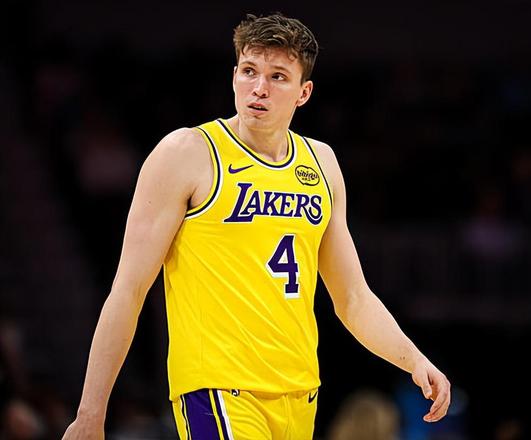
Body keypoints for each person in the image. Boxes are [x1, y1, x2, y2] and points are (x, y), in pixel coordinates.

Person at [62, 12, 451, 440]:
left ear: (304, 93)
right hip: (218, 389)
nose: (259, 88)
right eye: (249, 71)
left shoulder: (321, 163)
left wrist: (414, 359)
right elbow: (128, 290)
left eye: (278, 76)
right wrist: (90, 413)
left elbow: (353, 298)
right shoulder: (187, 153)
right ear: (234, 76)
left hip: (299, 392)